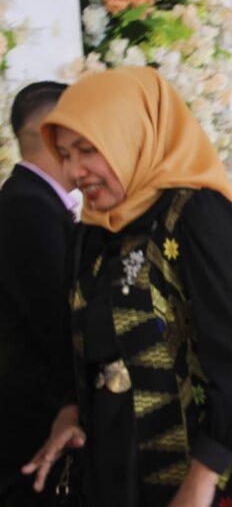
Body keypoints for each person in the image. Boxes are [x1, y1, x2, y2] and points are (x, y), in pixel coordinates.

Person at [22, 67, 232, 507]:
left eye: (88, 150)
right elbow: (86, 344)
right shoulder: (92, 234)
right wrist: (70, 410)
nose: (74, 170)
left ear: (134, 136)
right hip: (120, 464)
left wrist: (201, 479)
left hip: (211, 470)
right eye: (64, 154)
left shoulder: (196, 214)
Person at [0, 81, 76, 506]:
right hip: (37, 422)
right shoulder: (28, 207)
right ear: (55, 133)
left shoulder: (33, 200)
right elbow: (57, 318)